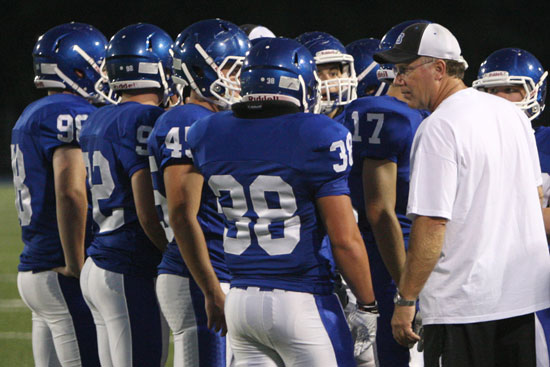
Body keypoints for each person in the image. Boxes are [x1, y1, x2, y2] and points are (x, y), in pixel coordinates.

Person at [186, 37, 377, 366]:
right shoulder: (316, 132)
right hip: (301, 300)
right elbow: (345, 239)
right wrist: (368, 304)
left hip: (240, 300)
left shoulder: (208, 131)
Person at [374, 22, 550, 366]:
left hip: (462, 308)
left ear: (439, 68)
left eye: (405, 69)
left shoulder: (438, 127)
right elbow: (535, 200)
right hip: (522, 303)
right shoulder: (511, 116)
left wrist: (406, 299)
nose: (397, 80)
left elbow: (431, 226)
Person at [148, 18, 250, 367]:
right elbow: (180, 212)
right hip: (199, 273)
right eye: (230, 69)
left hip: (214, 267)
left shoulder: (213, 119)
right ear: (197, 70)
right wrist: (210, 288)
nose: (237, 79)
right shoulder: (187, 119)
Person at [11, 22, 105, 367]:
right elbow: (70, 191)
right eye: (99, 65)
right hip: (60, 268)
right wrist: (77, 263)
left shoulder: (33, 112)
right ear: (77, 68)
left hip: (36, 266)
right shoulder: (69, 113)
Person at [79, 23, 172, 367]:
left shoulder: (97, 117)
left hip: (99, 259)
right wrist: (174, 254)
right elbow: (146, 208)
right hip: (128, 264)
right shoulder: (145, 116)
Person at [342, 21, 430, 367]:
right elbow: (381, 211)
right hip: (395, 253)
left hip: (383, 249)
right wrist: (407, 290)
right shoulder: (388, 115)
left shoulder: (357, 112)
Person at [473, 47, 550, 367]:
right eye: (492, 91)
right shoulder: (468, 141)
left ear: (535, 92)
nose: (501, 99)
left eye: (511, 89)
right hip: (481, 282)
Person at [296, 31, 357, 120]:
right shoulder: (291, 125)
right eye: (318, 74)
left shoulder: (355, 120)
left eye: (333, 74)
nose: (329, 86)